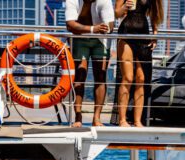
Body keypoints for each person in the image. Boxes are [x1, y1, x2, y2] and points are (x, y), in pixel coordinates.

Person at [66, 0, 114, 128]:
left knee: (100, 77)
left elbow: (110, 26)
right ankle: (78, 116)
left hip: (101, 41)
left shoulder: (105, 1)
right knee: (80, 76)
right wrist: (94, 28)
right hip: (80, 39)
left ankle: (96, 118)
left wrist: (105, 27)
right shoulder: (72, 1)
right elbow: (70, 25)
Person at [115, 0, 163, 127]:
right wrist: (125, 7)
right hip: (126, 35)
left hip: (143, 36)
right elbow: (116, 13)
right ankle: (122, 120)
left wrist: (155, 35)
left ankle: (137, 120)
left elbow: (155, 15)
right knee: (128, 78)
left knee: (141, 79)